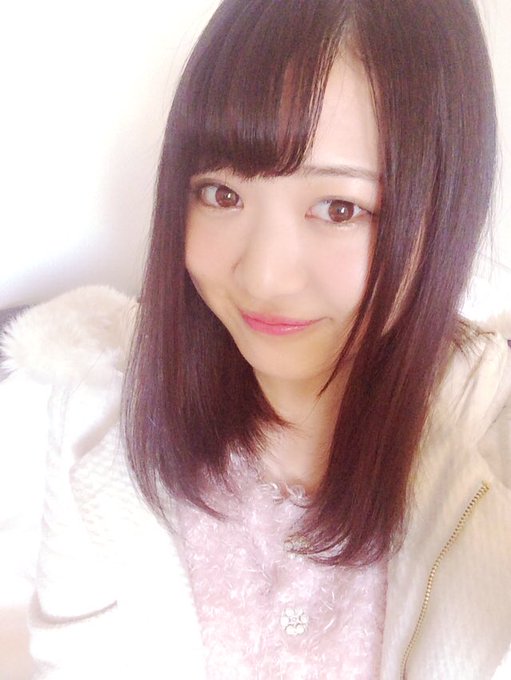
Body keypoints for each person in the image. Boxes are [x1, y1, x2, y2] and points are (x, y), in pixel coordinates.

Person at [1, 0, 510, 678]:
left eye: (339, 208)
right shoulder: (98, 410)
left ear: (443, 211)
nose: (262, 277)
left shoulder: (489, 452)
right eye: (221, 195)